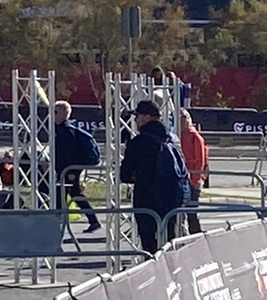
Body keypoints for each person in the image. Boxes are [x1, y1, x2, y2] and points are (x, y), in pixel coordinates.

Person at [118, 98, 191, 253]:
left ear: (147, 117)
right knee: (171, 242)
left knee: (149, 245)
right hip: (172, 198)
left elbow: (124, 174)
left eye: (137, 116)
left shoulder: (139, 142)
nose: (135, 120)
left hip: (147, 198)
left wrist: (139, 176)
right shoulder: (172, 139)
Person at [51, 99, 102, 232]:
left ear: (63, 114)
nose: (52, 115)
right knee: (71, 193)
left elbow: (68, 153)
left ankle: (57, 222)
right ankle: (92, 220)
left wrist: (66, 168)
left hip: (69, 168)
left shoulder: (67, 131)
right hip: (68, 168)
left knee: (66, 192)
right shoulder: (60, 130)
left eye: (55, 112)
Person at [178, 109, 207, 232]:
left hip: (192, 178)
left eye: (185, 117)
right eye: (180, 117)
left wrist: (196, 179)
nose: (183, 120)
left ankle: (196, 233)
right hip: (182, 177)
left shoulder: (195, 137)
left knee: (192, 211)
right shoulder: (177, 135)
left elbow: (200, 160)